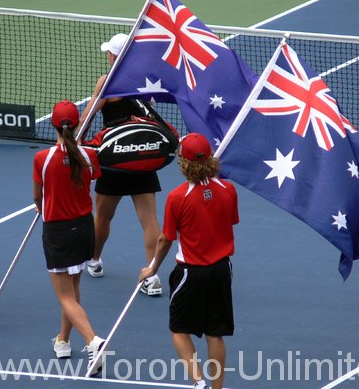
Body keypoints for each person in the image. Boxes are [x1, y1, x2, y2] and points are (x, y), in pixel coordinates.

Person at [139, 133, 239, 389]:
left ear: (184, 162)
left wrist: (152, 268)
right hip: (220, 271)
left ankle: (199, 382)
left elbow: (165, 240)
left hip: (190, 274)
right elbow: (229, 222)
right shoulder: (228, 189)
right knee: (214, 333)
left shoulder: (177, 197)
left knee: (179, 330)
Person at [79, 33, 163, 296]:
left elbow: (87, 117)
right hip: (142, 159)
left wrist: (75, 145)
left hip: (114, 163)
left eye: (109, 53)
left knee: (102, 215)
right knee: (149, 219)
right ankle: (153, 275)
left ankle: (93, 260)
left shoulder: (107, 82)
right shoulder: (144, 83)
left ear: (114, 56)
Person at [33, 100, 106, 376]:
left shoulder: (43, 158)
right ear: (76, 125)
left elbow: (36, 195)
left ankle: (93, 341)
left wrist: (40, 204)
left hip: (58, 232)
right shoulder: (89, 156)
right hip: (85, 229)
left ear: (55, 125)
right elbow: (88, 180)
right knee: (73, 290)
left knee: (64, 296)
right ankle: (63, 340)